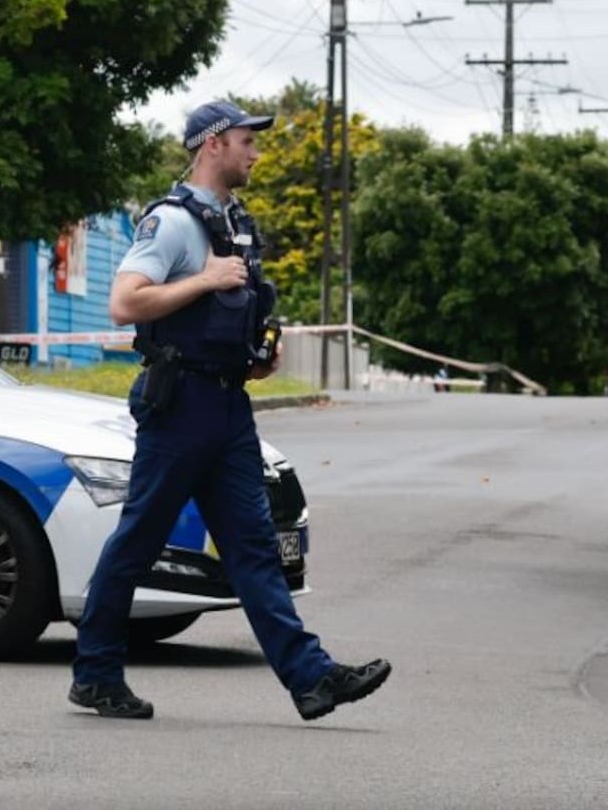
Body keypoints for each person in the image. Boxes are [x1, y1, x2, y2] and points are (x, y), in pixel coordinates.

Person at [70, 100, 391, 721]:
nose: (256, 152)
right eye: (247, 140)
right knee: (138, 541)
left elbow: (224, 314)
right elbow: (124, 304)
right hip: (179, 403)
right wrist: (205, 281)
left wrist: (254, 358)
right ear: (213, 143)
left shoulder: (233, 220)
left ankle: (312, 679)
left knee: (253, 549)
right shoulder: (171, 223)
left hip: (227, 403)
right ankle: (96, 673)